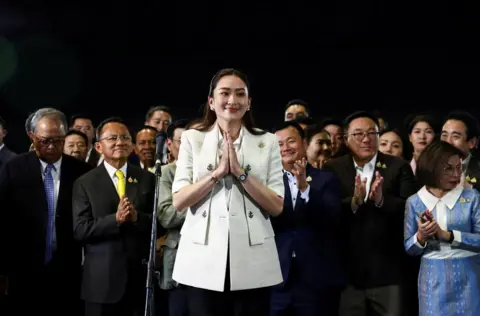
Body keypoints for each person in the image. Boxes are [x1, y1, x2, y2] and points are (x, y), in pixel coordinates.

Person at [171, 68, 285, 316]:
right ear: (212, 102)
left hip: (253, 258)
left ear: (249, 102)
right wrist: (217, 173)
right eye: (225, 93)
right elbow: (179, 200)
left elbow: (277, 206)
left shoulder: (268, 142)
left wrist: (240, 173)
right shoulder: (192, 139)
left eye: (240, 94)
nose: (232, 101)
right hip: (202, 258)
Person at [0, 108, 91, 316]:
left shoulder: (81, 172)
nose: (51, 146)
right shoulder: (14, 168)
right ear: (32, 137)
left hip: (68, 271)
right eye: (45, 140)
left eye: (58, 140)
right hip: (23, 270)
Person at [73, 117, 155, 316]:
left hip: (138, 280)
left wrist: (136, 218)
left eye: (125, 138)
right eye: (113, 138)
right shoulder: (85, 182)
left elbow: (158, 223)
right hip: (101, 284)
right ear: (99, 146)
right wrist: (115, 220)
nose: (120, 142)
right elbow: (80, 229)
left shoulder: (148, 179)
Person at [271, 121, 345, 316]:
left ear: (304, 144)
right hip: (277, 277)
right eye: (279, 144)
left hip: (315, 278)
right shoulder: (267, 183)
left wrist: (304, 188)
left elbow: (331, 219)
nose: (285, 148)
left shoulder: (326, 179)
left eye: (291, 141)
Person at [404, 140, 480, 315]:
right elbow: (409, 248)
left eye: (459, 167)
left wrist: (447, 236)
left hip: (470, 277)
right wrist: (421, 236)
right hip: (432, 281)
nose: (456, 174)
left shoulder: (472, 197)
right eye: (448, 169)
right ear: (432, 169)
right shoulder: (415, 201)